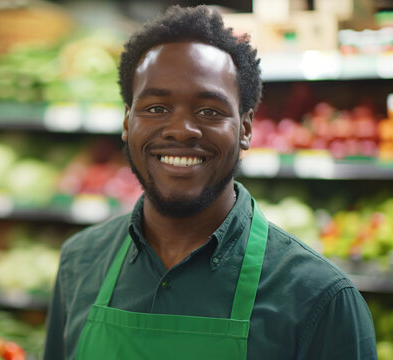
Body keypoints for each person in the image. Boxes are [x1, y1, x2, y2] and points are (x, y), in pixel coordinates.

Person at [43, 5, 377, 360]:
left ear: (245, 129)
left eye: (209, 111)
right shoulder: (79, 263)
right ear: (127, 122)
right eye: (156, 108)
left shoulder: (321, 298)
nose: (180, 130)